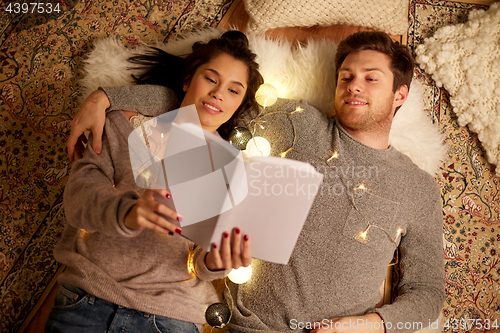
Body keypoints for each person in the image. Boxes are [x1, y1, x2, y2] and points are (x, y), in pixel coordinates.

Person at [68, 31, 445, 333]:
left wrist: (367, 326)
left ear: (400, 94)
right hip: (240, 324)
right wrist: (107, 96)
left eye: (370, 78)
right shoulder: (296, 120)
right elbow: (204, 99)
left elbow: (427, 294)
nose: (354, 86)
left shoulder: (419, 188)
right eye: (346, 77)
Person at [47, 30, 264, 333]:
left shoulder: (234, 170)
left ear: (238, 105)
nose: (218, 93)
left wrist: (217, 261)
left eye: (233, 90)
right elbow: (78, 198)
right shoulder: (123, 125)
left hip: (171, 317)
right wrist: (128, 211)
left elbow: (201, 264)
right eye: (211, 79)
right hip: (88, 301)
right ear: (188, 80)